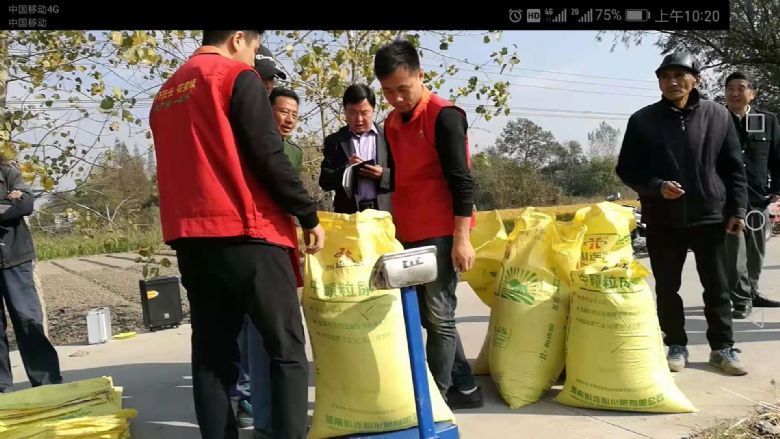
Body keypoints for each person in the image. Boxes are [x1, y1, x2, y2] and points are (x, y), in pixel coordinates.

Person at [149, 30, 324, 439]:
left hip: (192, 237)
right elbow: (268, 154)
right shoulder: (235, 77)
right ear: (239, 38)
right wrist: (307, 213)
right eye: (254, 49)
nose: (252, 59)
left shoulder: (167, 92)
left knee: (212, 356)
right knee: (286, 349)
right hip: (248, 232)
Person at [616, 52, 749, 376]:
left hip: (711, 216)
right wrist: (656, 186)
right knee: (667, 287)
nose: (672, 82)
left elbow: (734, 168)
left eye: (679, 75)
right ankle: (675, 344)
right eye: (665, 76)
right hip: (663, 218)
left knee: (717, 287)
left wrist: (738, 209)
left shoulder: (718, 115)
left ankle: (722, 348)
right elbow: (627, 169)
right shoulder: (642, 120)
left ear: (696, 80)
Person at [373, 40, 482, 409]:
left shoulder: (444, 116)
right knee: (431, 318)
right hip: (407, 231)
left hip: (440, 232)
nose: (397, 99)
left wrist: (461, 239)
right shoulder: (390, 122)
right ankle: (465, 386)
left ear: (421, 75)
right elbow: (398, 179)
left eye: (403, 89)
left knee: (440, 317)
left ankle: (435, 400)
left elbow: (462, 182)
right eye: (388, 91)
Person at [0, 162, 62, 393]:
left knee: (28, 320)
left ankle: (46, 382)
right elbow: (15, 206)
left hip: (16, 258)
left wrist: (16, 202)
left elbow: (25, 204)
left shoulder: (8, 172)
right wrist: (8, 203)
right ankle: (2, 387)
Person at [723, 71, 780, 319]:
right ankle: (741, 299)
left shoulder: (766, 120)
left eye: (741, 88)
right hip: (728, 199)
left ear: (753, 93)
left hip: (758, 198)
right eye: (730, 88)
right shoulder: (717, 119)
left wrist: (777, 190)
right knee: (735, 252)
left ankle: (752, 291)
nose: (734, 93)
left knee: (756, 251)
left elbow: (777, 158)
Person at [319, 84, 391, 213]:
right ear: (345, 111)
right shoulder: (335, 141)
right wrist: (348, 169)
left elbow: (404, 176)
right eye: (352, 113)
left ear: (373, 110)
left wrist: (383, 174)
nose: (359, 119)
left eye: (364, 113)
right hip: (349, 216)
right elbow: (325, 182)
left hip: (383, 214)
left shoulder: (389, 138)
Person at [270, 88, 303, 172]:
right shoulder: (250, 141)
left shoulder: (295, 152)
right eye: (284, 112)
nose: (290, 120)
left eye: (294, 115)